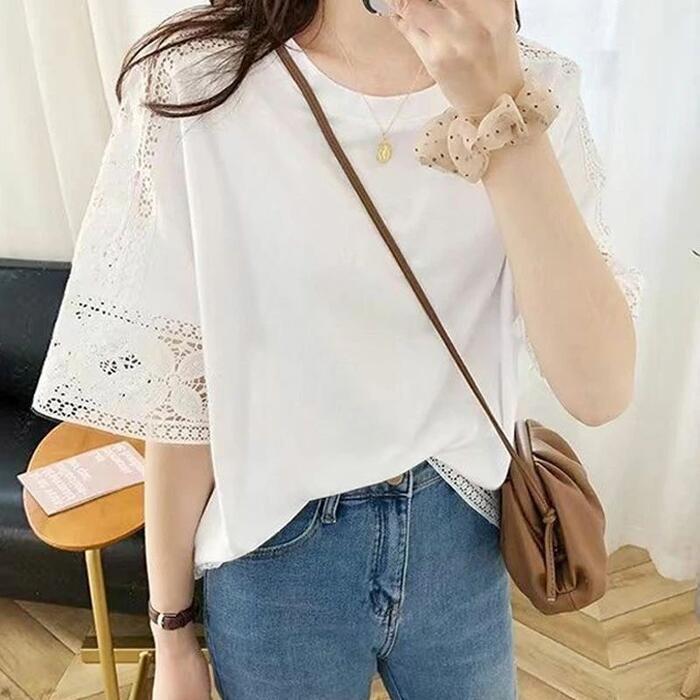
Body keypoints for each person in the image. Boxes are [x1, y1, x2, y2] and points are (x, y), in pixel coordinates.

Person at [31, 0, 641, 698]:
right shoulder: (199, 86)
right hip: (276, 553)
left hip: (459, 528)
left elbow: (600, 390)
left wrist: (499, 112)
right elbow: (184, 397)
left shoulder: (538, 88)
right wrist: (171, 634)